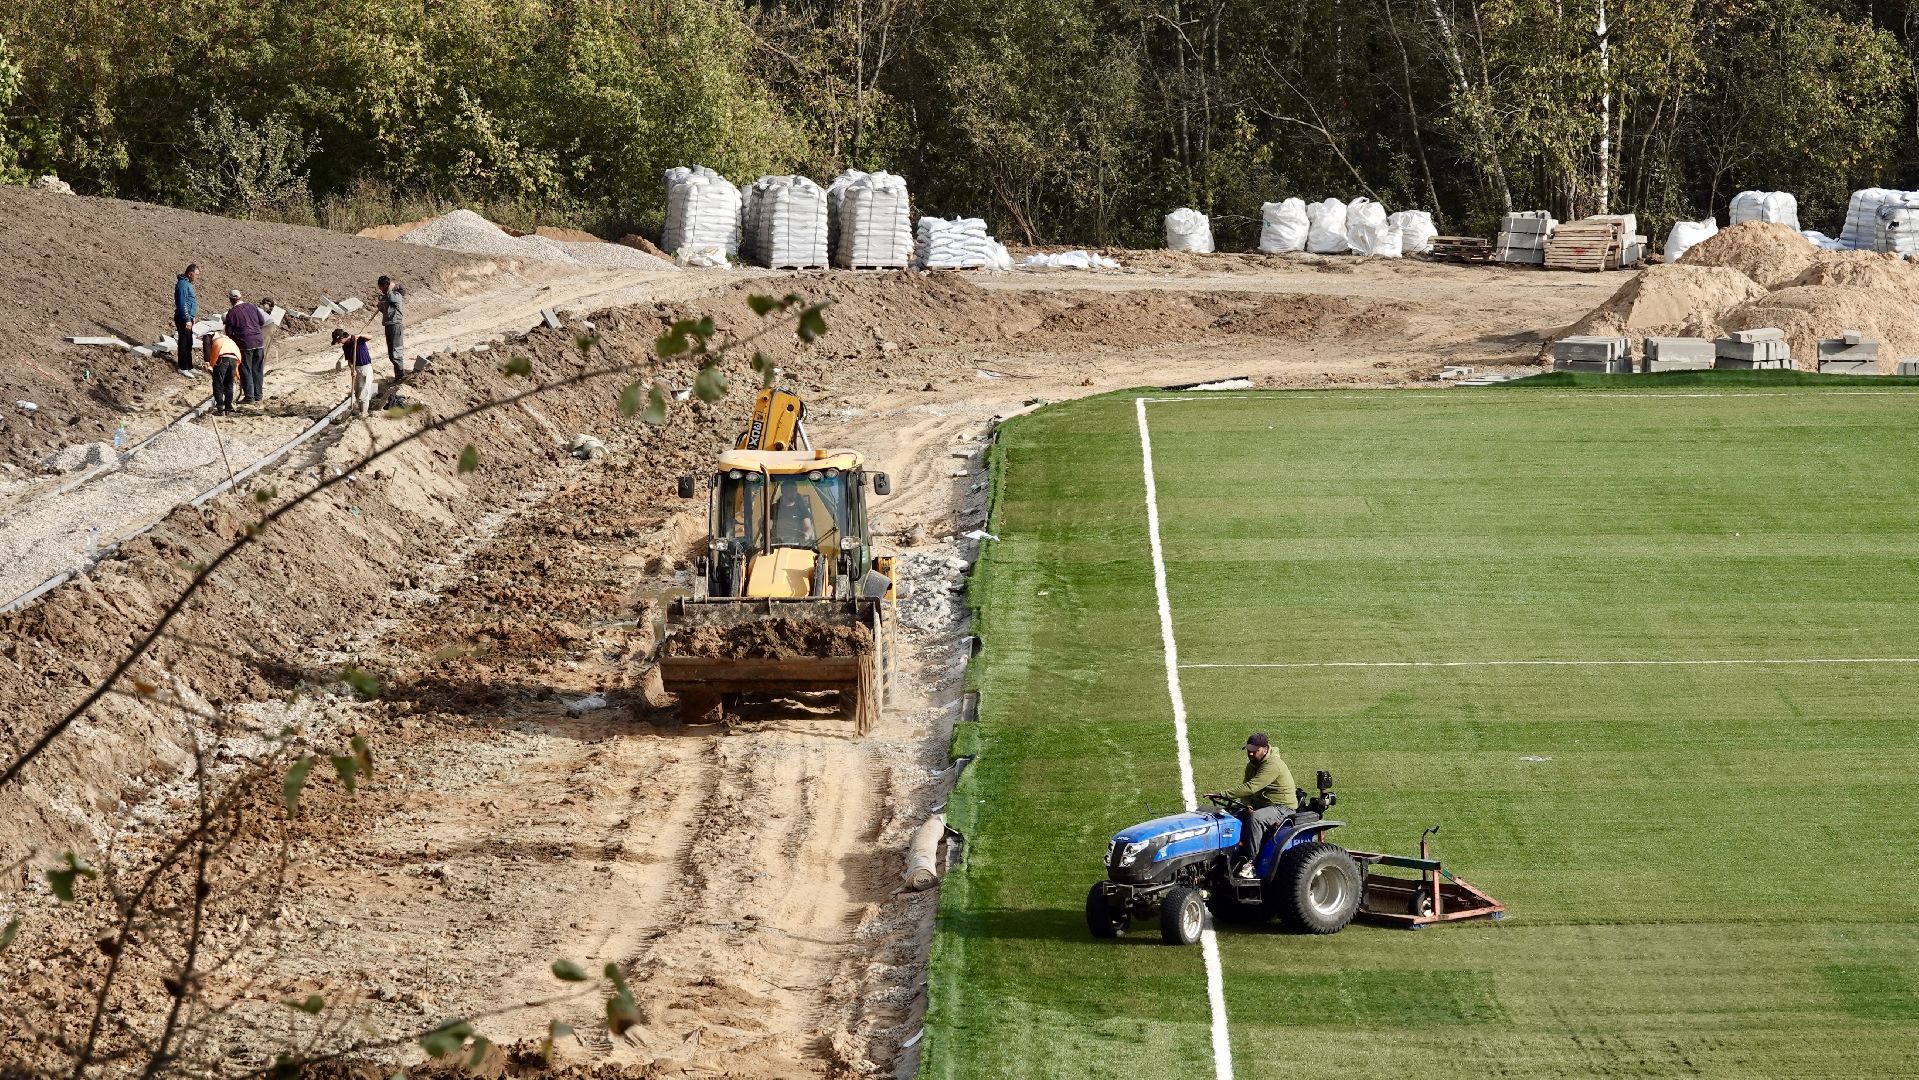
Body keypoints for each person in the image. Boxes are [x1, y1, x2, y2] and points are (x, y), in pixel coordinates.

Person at [1204, 732, 1298, 879]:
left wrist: (1222, 794)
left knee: (1256, 818)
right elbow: (1246, 792)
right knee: (1228, 815)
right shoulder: (1251, 765)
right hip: (1261, 805)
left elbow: (1251, 787)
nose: (1251, 753)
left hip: (1282, 807)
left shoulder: (1273, 765)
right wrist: (1247, 805)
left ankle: (1251, 862)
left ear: (1265, 749)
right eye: (1248, 750)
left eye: (1255, 750)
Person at [223, 289, 267, 404]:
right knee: (257, 369)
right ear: (240, 297)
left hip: (245, 343)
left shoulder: (231, 313)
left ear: (231, 299)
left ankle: (249, 397)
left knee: (246, 370)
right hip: (258, 341)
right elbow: (262, 322)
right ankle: (258, 395)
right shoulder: (252, 306)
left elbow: (228, 333)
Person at [332, 328, 377, 417]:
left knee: (364, 391)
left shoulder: (357, 339)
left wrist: (360, 335)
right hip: (357, 369)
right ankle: (359, 409)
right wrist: (353, 370)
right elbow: (350, 361)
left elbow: (370, 337)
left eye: (338, 341)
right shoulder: (345, 346)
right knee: (358, 391)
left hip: (366, 368)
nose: (338, 343)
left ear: (342, 338)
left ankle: (364, 413)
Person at [376, 275, 407, 380]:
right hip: (388, 326)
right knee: (391, 354)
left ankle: (401, 375)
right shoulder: (387, 297)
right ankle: (398, 375)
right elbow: (386, 312)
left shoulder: (396, 295)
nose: (380, 289)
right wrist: (381, 306)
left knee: (396, 352)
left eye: (381, 287)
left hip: (395, 326)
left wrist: (391, 286)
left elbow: (391, 298)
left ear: (385, 285)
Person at [204, 330, 242, 415]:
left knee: (218, 384)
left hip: (222, 358)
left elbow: (206, 346)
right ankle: (228, 408)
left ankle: (220, 408)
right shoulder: (227, 339)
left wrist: (207, 361)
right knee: (229, 384)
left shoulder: (208, 335)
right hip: (234, 359)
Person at [770, 481, 818, 547]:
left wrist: (806, 535)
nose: (794, 492)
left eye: (795, 489)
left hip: (798, 545)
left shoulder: (802, 509)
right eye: (791, 489)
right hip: (777, 545)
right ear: (783, 491)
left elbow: (808, 527)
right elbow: (764, 524)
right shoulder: (774, 508)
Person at [173, 264, 200, 376]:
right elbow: (182, 303)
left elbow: (190, 302)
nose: (197, 277)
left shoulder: (187, 283)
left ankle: (189, 366)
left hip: (188, 318)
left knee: (189, 342)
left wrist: (192, 317)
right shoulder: (183, 285)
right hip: (183, 318)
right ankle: (182, 367)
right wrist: (187, 319)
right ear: (190, 273)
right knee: (184, 342)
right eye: (196, 275)